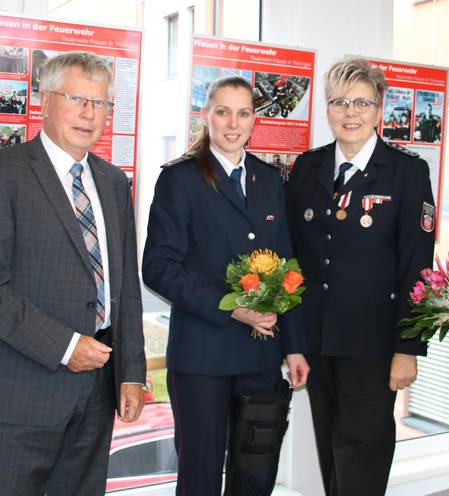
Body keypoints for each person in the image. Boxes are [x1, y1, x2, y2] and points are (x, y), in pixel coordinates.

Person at [142, 76, 309, 496]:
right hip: (202, 358)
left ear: (255, 120)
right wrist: (230, 306)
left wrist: (293, 345)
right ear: (206, 115)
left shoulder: (269, 181)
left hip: (260, 355)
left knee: (254, 475)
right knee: (200, 478)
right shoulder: (180, 179)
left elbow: (287, 266)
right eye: (222, 111)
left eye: (243, 113)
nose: (232, 124)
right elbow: (158, 267)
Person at [286, 57, 435, 496]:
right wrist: (293, 341)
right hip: (318, 343)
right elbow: (295, 259)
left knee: (362, 460)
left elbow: (417, 267)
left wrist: (408, 348)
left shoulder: (407, 172)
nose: (350, 113)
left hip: (374, 347)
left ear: (379, 109)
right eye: (339, 102)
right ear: (327, 108)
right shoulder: (307, 169)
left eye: (361, 103)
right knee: (331, 454)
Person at [0, 51, 146, 496]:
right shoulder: (7, 174)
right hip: (24, 392)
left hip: (98, 391)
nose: (90, 114)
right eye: (77, 99)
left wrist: (132, 373)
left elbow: (125, 286)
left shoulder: (113, 182)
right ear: (46, 101)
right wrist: (64, 347)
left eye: (101, 104)